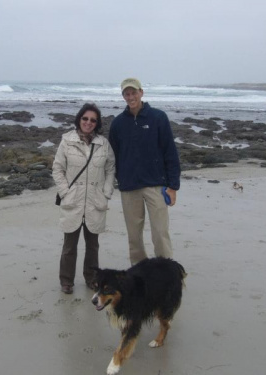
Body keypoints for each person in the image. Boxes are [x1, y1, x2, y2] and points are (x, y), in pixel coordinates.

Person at [109, 78, 181, 265]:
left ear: (141, 92)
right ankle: (139, 275)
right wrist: (120, 179)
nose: (130, 96)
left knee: (160, 233)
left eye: (134, 92)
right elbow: (113, 157)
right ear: (123, 96)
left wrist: (173, 186)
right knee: (134, 237)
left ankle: (166, 273)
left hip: (156, 186)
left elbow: (170, 152)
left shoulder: (158, 117)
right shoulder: (118, 124)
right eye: (127, 93)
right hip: (129, 187)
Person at [52, 103, 115, 294]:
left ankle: (91, 279)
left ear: (97, 123)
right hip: (73, 200)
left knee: (92, 246)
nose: (88, 122)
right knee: (69, 246)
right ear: (79, 119)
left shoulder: (103, 144)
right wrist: (65, 192)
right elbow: (57, 168)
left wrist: (106, 193)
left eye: (93, 120)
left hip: (95, 201)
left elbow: (110, 169)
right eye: (85, 118)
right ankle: (66, 281)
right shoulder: (67, 141)